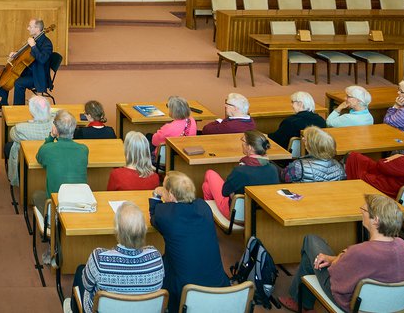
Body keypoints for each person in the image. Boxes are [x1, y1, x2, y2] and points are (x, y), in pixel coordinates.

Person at [280, 194, 404, 312]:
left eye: (364, 210)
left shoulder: (360, 252)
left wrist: (337, 258)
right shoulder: (403, 246)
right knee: (315, 256)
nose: (361, 212)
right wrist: (337, 257)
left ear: (376, 220)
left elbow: (334, 275)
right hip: (396, 305)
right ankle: (300, 301)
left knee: (311, 242)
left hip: (352, 304)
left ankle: (300, 302)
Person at [149, 171, 229, 312]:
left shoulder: (165, 214)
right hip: (218, 287)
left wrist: (157, 194)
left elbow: (154, 217)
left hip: (184, 292)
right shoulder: (204, 207)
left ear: (172, 195)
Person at [70, 203, 164, 313]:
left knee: (80, 271)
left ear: (117, 229)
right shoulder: (156, 258)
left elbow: (87, 287)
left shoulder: (98, 259)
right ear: (144, 229)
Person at [202, 130, 280, 218]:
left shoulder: (241, 171)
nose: (241, 144)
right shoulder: (273, 169)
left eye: (243, 141)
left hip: (236, 214)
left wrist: (232, 193)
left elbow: (224, 192)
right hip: (262, 215)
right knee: (206, 186)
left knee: (210, 173)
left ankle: (206, 215)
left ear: (250, 147)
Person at [33, 110, 89, 215]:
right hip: (80, 205)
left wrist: (51, 136)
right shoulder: (84, 149)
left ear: (56, 129)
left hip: (56, 206)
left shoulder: (48, 149)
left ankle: (50, 222)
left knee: (37, 195)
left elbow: (39, 158)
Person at [0, 18, 53, 109]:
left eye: (30, 26)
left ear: (37, 29)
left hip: (38, 75)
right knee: (6, 74)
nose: (28, 28)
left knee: (18, 82)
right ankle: (3, 102)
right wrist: (16, 53)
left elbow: (42, 59)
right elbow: (26, 54)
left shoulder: (47, 43)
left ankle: (18, 109)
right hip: (28, 69)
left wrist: (34, 46)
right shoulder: (33, 39)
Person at [7, 96, 55, 186]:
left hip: (27, 158)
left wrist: (29, 121)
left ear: (32, 111)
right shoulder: (56, 124)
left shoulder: (20, 128)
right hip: (51, 158)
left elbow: (12, 135)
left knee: (8, 146)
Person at [281, 126, 346, 183]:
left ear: (312, 146)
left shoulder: (299, 166)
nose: (303, 139)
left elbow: (284, 177)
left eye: (306, 140)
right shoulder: (339, 166)